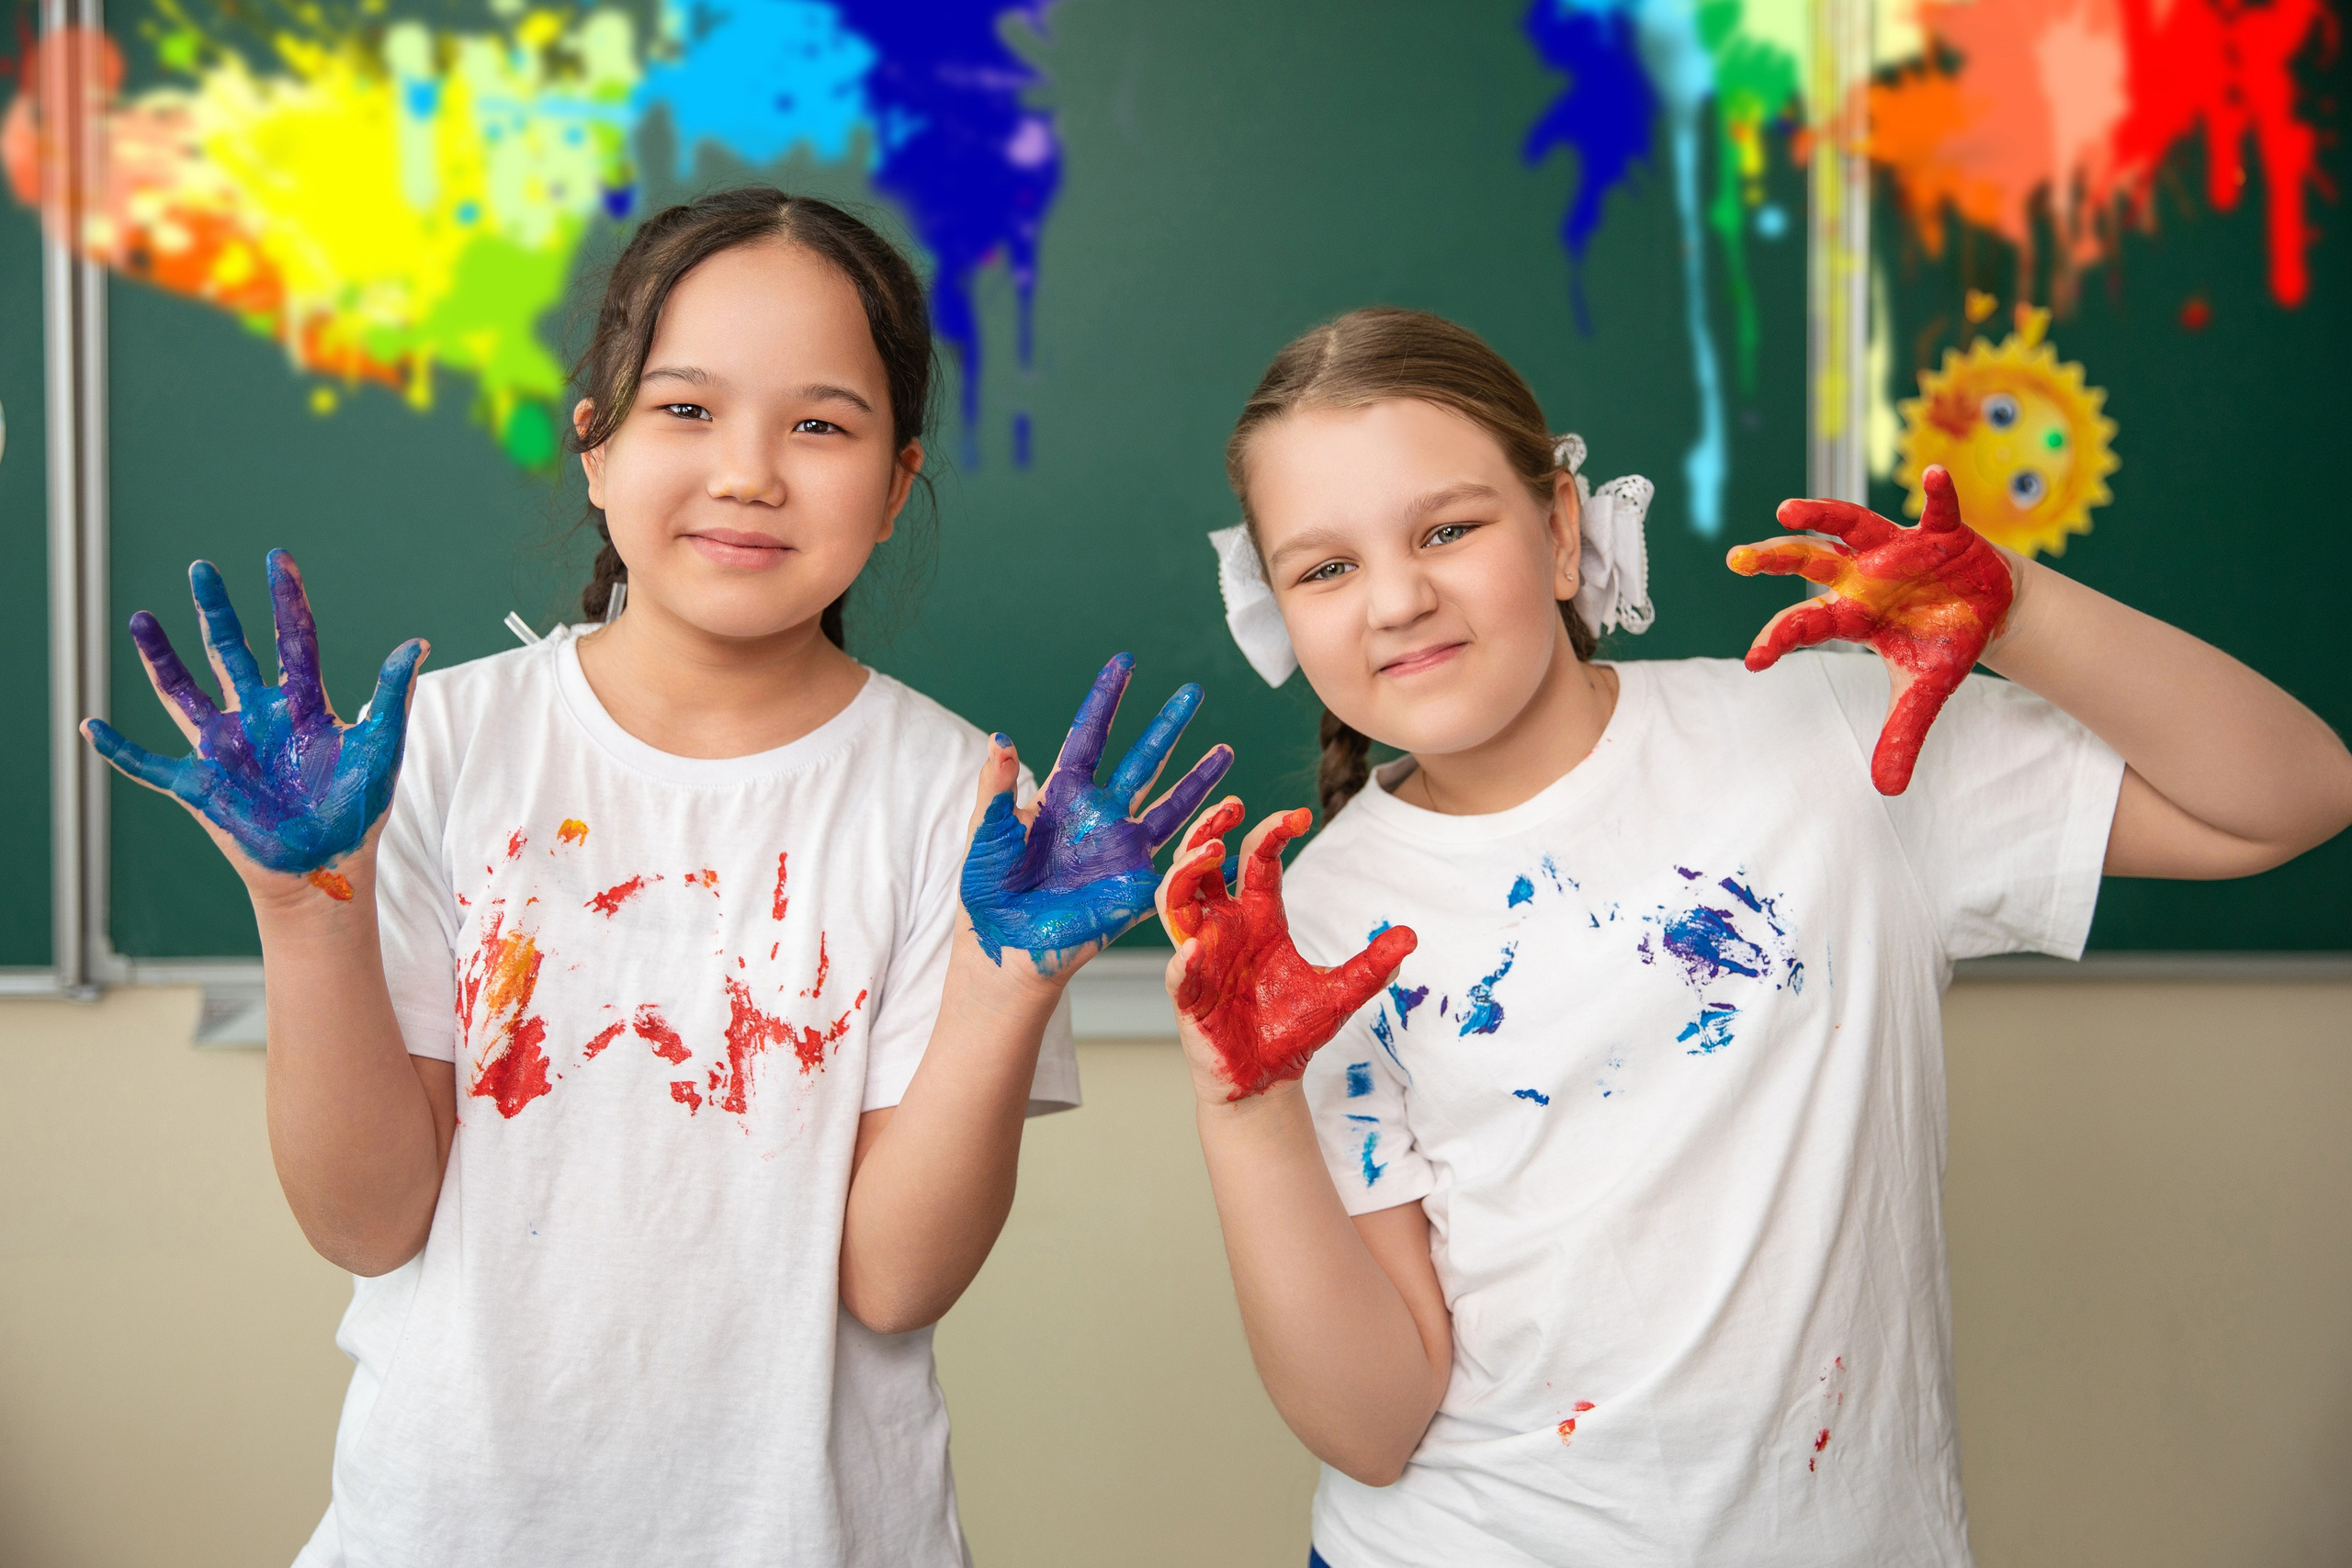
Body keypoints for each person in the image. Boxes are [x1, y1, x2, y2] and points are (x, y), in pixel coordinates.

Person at [83, 186, 1230, 1566]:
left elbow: (894, 1283)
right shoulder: (424, 752)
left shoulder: (965, 807)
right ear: (595, 447)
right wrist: (301, 912)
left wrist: (1006, 993)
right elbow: (367, 1223)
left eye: (821, 426)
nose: (749, 472)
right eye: (686, 408)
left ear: (896, 486)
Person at [1154, 305, 2352, 1567]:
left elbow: (2291, 797)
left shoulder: (1828, 739)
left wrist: (2020, 612)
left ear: (1561, 530)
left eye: (1449, 529)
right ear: (1276, 608)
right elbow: (1373, 1426)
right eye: (1325, 569)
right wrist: (1244, 1107)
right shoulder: (1308, 931)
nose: (1398, 599)